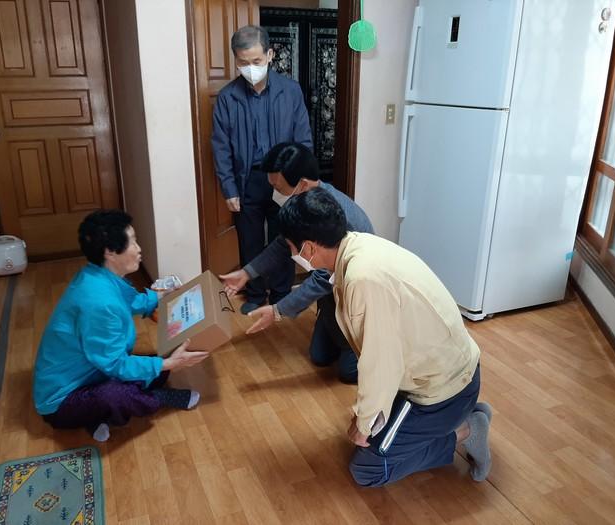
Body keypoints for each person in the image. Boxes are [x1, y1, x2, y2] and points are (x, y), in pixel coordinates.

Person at [276, 188, 493, 486]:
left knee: (368, 470)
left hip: (443, 390)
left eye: (292, 248)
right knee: (368, 427)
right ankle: (461, 415)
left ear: (309, 248)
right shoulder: (357, 246)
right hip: (436, 373)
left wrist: (365, 422)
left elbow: (382, 362)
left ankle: (467, 429)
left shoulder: (363, 278)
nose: (293, 255)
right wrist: (366, 414)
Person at [33, 210, 209, 442]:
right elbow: (115, 364)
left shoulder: (98, 275)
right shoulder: (99, 303)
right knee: (121, 392)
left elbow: (130, 301)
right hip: (62, 400)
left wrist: (162, 296)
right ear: (110, 252)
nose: (139, 248)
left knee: (157, 368)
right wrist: (169, 364)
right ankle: (158, 399)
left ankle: (96, 415)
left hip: (92, 372)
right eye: (133, 242)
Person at [219, 142, 373, 383]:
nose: (274, 194)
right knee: (319, 357)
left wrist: (278, 311)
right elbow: (283, 243)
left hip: (356, 295)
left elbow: (323, 278)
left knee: (348, 373)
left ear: (302, 184)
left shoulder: (336, 216)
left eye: (277, 188)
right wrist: (246, 273)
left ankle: (366, 340)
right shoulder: (305, 202)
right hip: (332, 294)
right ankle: (333, 324)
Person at [212, 25, 313, 315]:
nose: (250, 68)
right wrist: (229, 189)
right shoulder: (228, 97)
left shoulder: (290, 91)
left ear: (270, 55)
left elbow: (303, 140)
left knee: (285, 238)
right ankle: (255, 293)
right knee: (250, 240)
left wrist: (300, 182)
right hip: (248, 180)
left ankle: (281, 293)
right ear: (235, 60)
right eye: (243, 62)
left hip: (284, 179)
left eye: (256, 61)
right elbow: (220, 146)